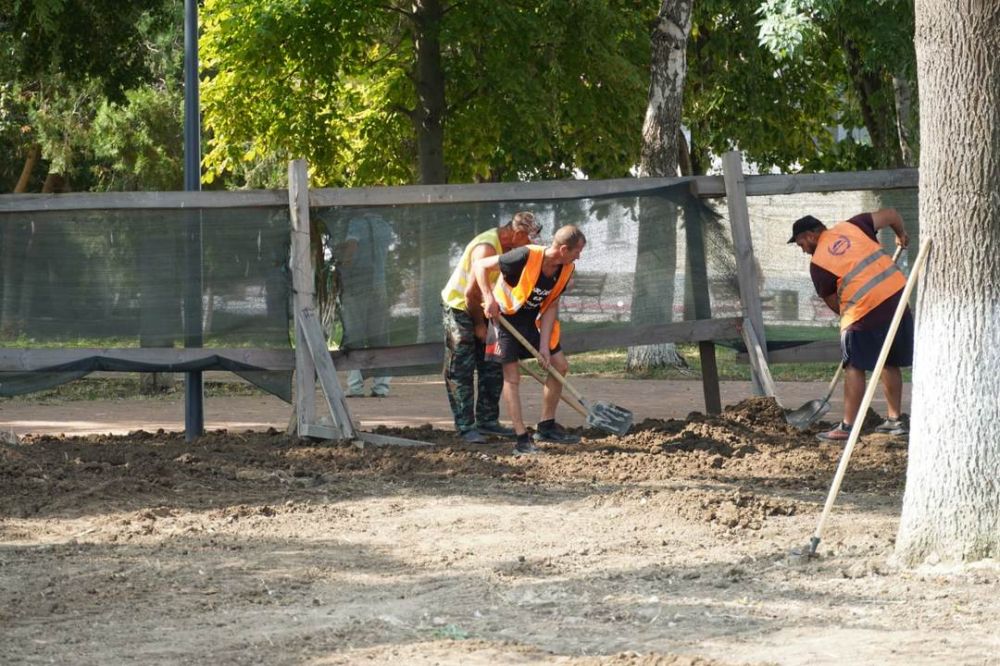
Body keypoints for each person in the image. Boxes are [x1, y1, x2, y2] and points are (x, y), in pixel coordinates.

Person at [788, 209, 912, 441]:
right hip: (898, 296)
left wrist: (850, 326)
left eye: (801, 243)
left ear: (811, 235)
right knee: (888, 360)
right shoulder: (854, 225)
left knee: (854, 366)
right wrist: (901, 234)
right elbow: (893, 214)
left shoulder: (818, 265)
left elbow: (837, 305)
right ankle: (895, 421)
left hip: (864, 309)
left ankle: (847, 427)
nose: (803, 249)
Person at [475, 224, 586, 455]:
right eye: (577, 251)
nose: (579, 256)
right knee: (512, 378)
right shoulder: (525, 255)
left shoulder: (565, 270)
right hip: (503, 318)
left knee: (559, 365)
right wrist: (488, 297)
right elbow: (480, 266)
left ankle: (546, 426)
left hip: (530, 322)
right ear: (564, 249)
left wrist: (544, 346)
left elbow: (551, 305)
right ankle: (521, 438)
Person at [441, 212, 542, 443]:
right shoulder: (487, 248)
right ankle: (465, 426)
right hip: (460, 308)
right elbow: (471, 294)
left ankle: (487, 421)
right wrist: (478, 325)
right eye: (528, 240)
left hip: (486, 307)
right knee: (461, 368)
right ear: (516, 234)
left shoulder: (510, 249)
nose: (529, 246)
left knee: (492, 365)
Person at [337, 211, 395, 397]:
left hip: (357, 285)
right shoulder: (385, 226)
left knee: (355, 335)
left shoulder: (356, 223)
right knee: (379, 336)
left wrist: (342, 267)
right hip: (379, 284)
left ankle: (355, 386)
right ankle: (382, 386)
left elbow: (351, 247)